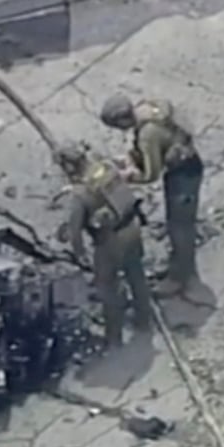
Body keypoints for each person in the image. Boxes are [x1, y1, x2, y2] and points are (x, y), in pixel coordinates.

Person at [100, 95, 204, 298]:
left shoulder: (148, 134)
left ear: (123, 119)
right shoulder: (148, 109)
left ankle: (180, 278)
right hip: (189, 165)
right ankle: (179, 268)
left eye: (117, 125)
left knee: (180, 228)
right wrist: (131, 158)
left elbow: (150, 174)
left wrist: (124, 176)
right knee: (178, 226)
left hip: (183, 178)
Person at [57, 146, 152, 348]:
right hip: (132, 227)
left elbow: (75, 230)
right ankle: (145, 320)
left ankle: (114, 338)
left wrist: (80, 254)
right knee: (136, 274)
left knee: (108, 288)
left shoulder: (79, 195)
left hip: (110, 242)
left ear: (69, 167)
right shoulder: (105, 167)